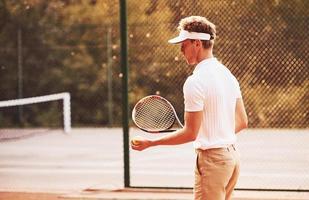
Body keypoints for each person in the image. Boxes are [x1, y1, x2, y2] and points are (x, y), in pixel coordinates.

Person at [131, 16, 248, 200]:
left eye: (183, 44)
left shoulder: (195, 82)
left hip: (213, 163)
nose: (181, 50)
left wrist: (150, 143)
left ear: (196, 43)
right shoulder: (227, 75)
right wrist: (217, 135)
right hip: (231, 160)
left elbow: (190, 133)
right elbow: (242, 121)